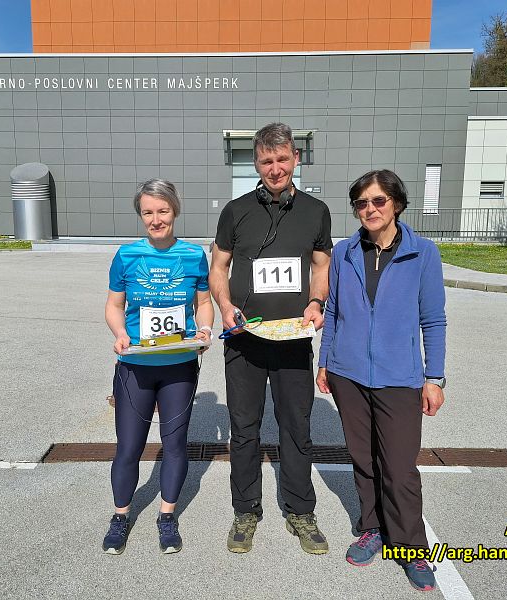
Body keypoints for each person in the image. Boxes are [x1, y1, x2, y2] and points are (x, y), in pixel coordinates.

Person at [316, 169, 446, 591]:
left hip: (400, 378)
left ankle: (410, 546)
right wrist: (325, 361)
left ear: (397, 204)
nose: (369, 209)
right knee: (363, 457)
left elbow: (433, 319)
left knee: (399, 466)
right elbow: (334, 311)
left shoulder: (422, 253)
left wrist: (434, 377)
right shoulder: (345, 252)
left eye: (378, 201)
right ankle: (371, 527)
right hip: (348, 374)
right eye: (361, 203)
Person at [209, 123, 332, 554]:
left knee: (296, 427)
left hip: (293, 338)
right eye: (266, 161)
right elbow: (218, 266)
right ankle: (245, 511)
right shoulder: (236, 211)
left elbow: (321, 265)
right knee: (244, 429)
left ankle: (300, 511)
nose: (275, 168)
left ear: (295, 158)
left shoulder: (316, 211)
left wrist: (316, 301)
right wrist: (225, 305)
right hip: (244, 338)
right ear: (256, 163)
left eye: (282, 159)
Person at [103, 179, 214, 555]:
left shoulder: (193, 255)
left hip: (179, 365)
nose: (156, 219)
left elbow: (204, 303)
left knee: (175, 444)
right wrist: (120, 333)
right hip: (135, 365)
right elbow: (114, 305)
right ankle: (121, 516)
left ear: (175, 210)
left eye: (162, 211)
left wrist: (204, 329)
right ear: (140, 215)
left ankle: (167, 516)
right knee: (128, 447)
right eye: (148, 212)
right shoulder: (127, 255)